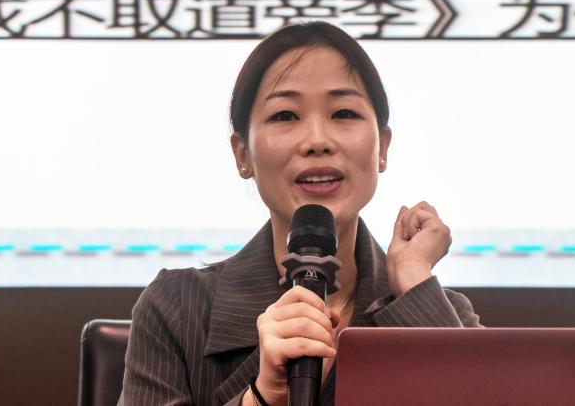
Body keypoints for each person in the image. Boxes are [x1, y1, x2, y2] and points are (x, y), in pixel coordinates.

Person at [118, 21, 481, 406]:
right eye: (285, 116)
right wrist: (261, 397)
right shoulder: (177, 309)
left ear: (383, 147)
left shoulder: (442, 314)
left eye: (343, 112)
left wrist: (413, 281)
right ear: (243, 154)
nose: (317, 141)